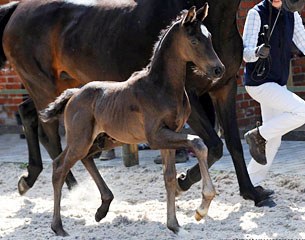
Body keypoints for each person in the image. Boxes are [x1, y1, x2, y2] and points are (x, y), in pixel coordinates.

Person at [243, 0, 305, 194]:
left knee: (275, 140)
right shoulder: (256, 13)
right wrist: (257, 52)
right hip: (259, 83)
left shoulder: (291, 13)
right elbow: (245, 54)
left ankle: (249, 185)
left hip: (278, 84)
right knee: (302, 111)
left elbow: (303, 42)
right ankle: (257, 135)